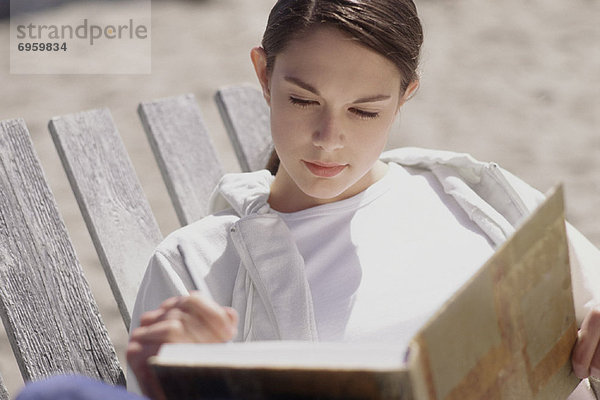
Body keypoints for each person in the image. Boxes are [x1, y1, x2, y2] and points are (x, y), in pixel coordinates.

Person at [16, 0, 600, 399]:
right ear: (263, 76)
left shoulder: (474, 200)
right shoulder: (199, 264)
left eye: (365, 111)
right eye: (301, 101)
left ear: (405, 98)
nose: (328, 138)